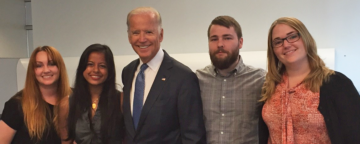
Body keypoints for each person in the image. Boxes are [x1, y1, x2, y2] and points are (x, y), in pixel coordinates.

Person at [259, 17, 360, 144]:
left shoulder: (337, 84)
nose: (286, 44)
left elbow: (355, 134)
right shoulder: (269, 86)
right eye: (278, 42)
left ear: (306, 39)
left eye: (292, 36)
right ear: (273, 50)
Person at [122, 7, 206, 143]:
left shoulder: (183, 77)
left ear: (161, 35)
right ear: (129, 37)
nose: (142, 39)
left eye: (149, 32)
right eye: (135, 32)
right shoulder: (128, 71)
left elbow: (193, 136)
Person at [196, 16, 266, 144]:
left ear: (240, 42)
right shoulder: (196, 80)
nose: (220, 44)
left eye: (227, 38)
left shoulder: (261, 80)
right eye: (214, 39)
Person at [0, 46, 71, 143]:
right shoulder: (17, 105)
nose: (46, 70)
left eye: (51, 64)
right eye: (39, 65)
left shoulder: (74, 99)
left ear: (60, 67)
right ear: (33, 71)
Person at [63, 44, 124, 144]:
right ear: (82, 68)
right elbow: (65, 141)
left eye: (102, 66)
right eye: (90, 64)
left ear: (110, 70)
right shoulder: (67, 104)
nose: (96, 70)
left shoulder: (121, 100)